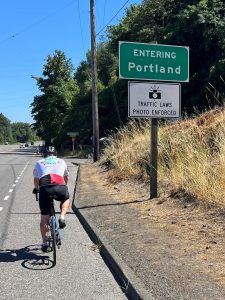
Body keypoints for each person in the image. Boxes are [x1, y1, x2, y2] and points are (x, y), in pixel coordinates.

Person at [33, 146, 70, 252]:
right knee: (65, 199)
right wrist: (64, 187)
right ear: (55, 154)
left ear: (44, 155)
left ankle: (44, 243)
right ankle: (62, 217)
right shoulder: (61, 161)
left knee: (44, 218)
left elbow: (36, 180)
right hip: (59, 184)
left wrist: (37, 189)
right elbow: (66, 177)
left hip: (45, 187)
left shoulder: (39, 162)